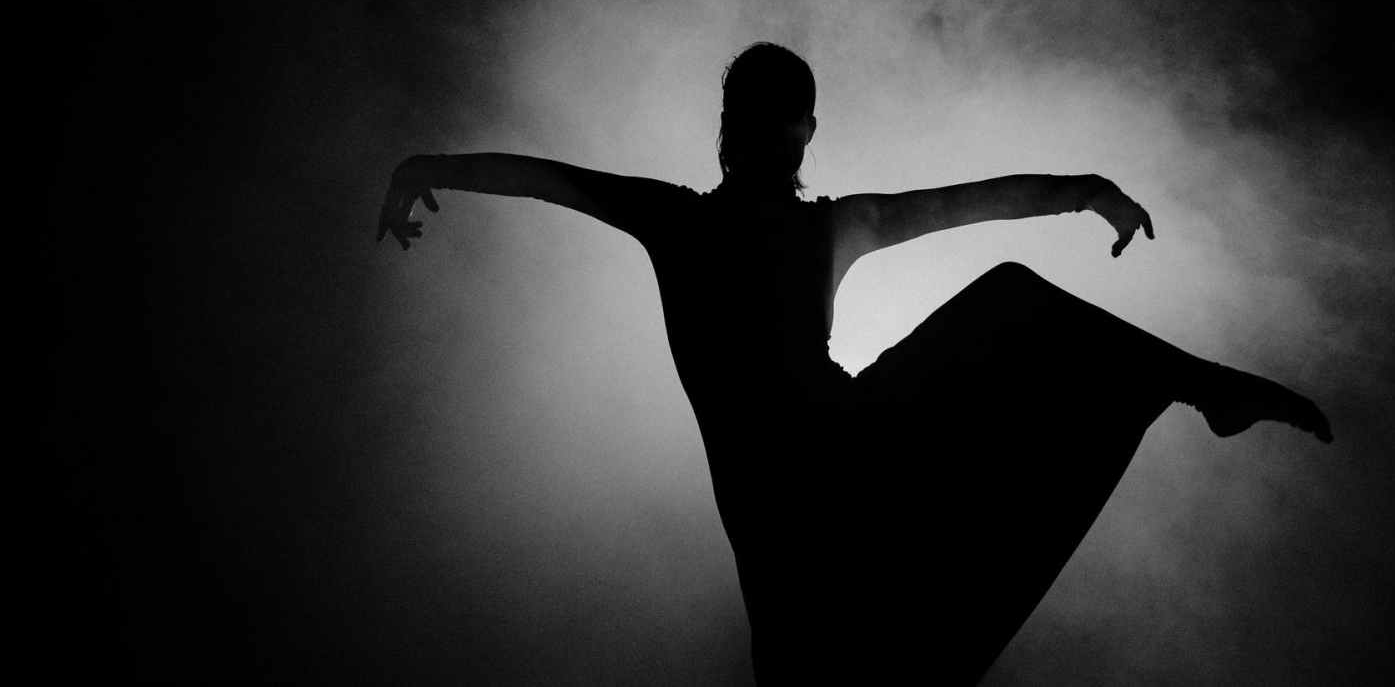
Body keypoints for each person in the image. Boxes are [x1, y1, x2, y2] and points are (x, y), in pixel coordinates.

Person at [377, 41, 1332, 685]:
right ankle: (1196, 388)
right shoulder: (713, 220)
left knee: (1008, 297)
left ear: (776, 128)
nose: (777, 133)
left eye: (780, 118)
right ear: (779, 127)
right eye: (774, 116)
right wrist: (424, 168)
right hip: (810, 497)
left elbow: (969, 201)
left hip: (843, 462)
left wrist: (1085, 189)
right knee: (815, 657)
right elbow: (544, 179)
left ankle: (1200, 387)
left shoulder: (765, 224)